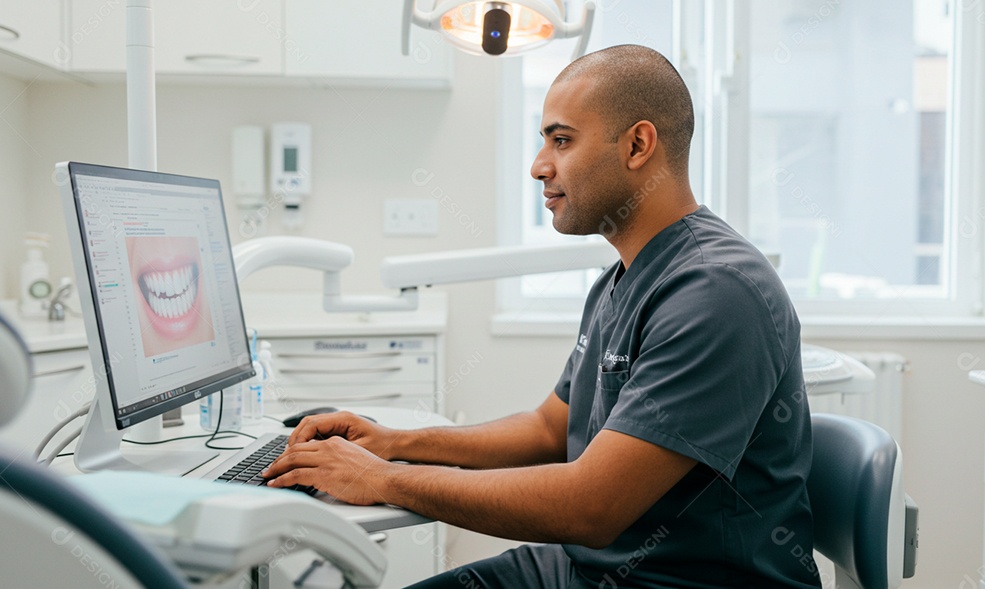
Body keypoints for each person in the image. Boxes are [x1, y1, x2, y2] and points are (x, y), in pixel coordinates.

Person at [263, 45, 820, 589]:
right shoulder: (622, 278)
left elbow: (590, 508)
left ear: (638, 145)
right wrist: (395, 442)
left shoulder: (714, 291)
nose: (538, 166)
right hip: (586, 570)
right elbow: (550, 429)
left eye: (562, 140)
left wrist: (381, 479)